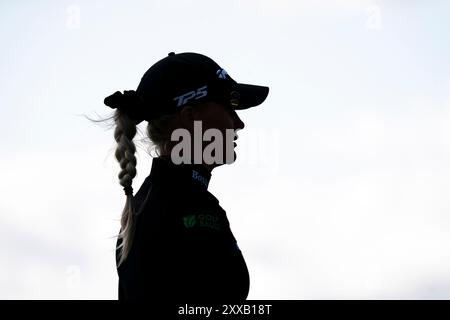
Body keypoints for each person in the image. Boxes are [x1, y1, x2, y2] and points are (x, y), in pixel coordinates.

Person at [102, 52, 269, 302]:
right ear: (191, 118)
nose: (238, 123)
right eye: (229, 106)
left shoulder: (168, 200)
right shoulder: (178, 204)